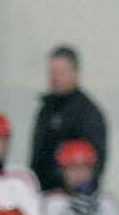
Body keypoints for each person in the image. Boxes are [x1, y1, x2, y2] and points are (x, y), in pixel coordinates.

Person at [29, 45, 108, 193]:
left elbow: (95, 164)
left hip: (73, 197)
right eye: (51, 72)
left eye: (60, 72)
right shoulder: (46, 108)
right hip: (42, 194)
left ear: (75, 73)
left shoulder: (88, 113)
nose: (54, 78)